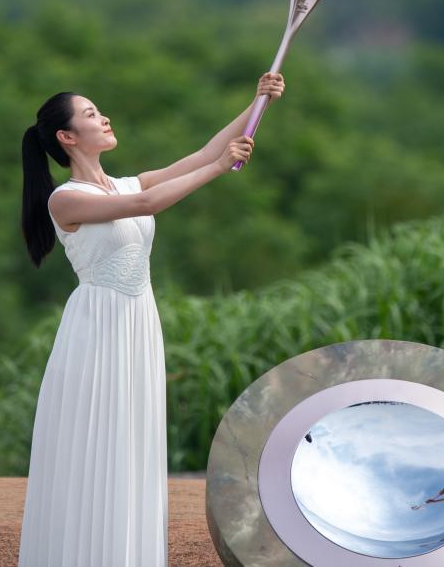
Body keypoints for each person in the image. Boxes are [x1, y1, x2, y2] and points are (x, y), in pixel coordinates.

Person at [16, 72, 285, 566]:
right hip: (97, 330)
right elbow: (147, 203)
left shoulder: (125, 182)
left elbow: (205, 153)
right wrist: (220, 168)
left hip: (138, 324)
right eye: (92, 114)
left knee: (132, 442)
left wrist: (257, 103)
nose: (105, 118)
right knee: (97, 444)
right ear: (67, 136)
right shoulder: (66, 198)